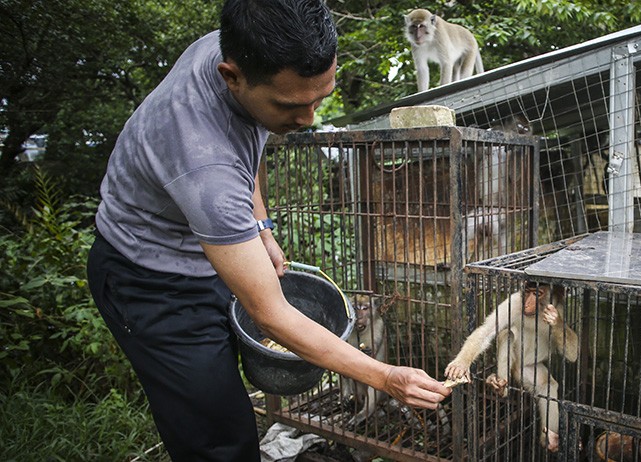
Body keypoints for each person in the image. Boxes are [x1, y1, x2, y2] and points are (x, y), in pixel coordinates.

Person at [86, 0, 451, 460]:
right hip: (149, 278)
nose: (309, 119)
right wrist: (384, 376)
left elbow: (248, 145)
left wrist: (262, 229)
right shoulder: (205, 168)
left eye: (320, 98)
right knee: (219, 435)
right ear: (231, 75)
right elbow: (272, 314)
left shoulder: (236, 47)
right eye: (290, 105)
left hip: (203, 249)